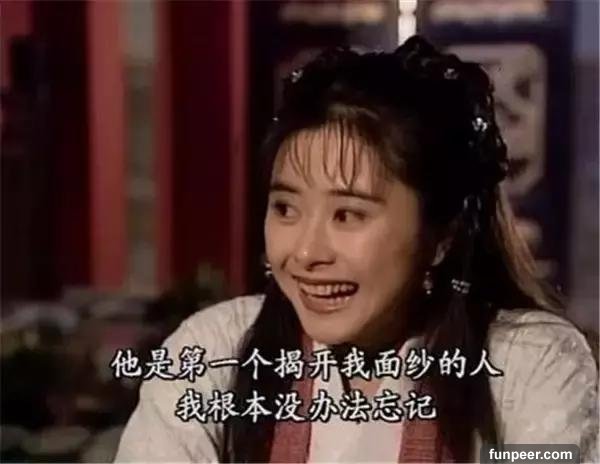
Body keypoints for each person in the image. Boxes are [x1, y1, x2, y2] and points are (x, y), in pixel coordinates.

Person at [115, 36, 598, 463]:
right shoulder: (214, 354)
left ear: (442, 236)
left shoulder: (526, 364)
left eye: (348, 215)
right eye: (285, 208)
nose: (305, 253)